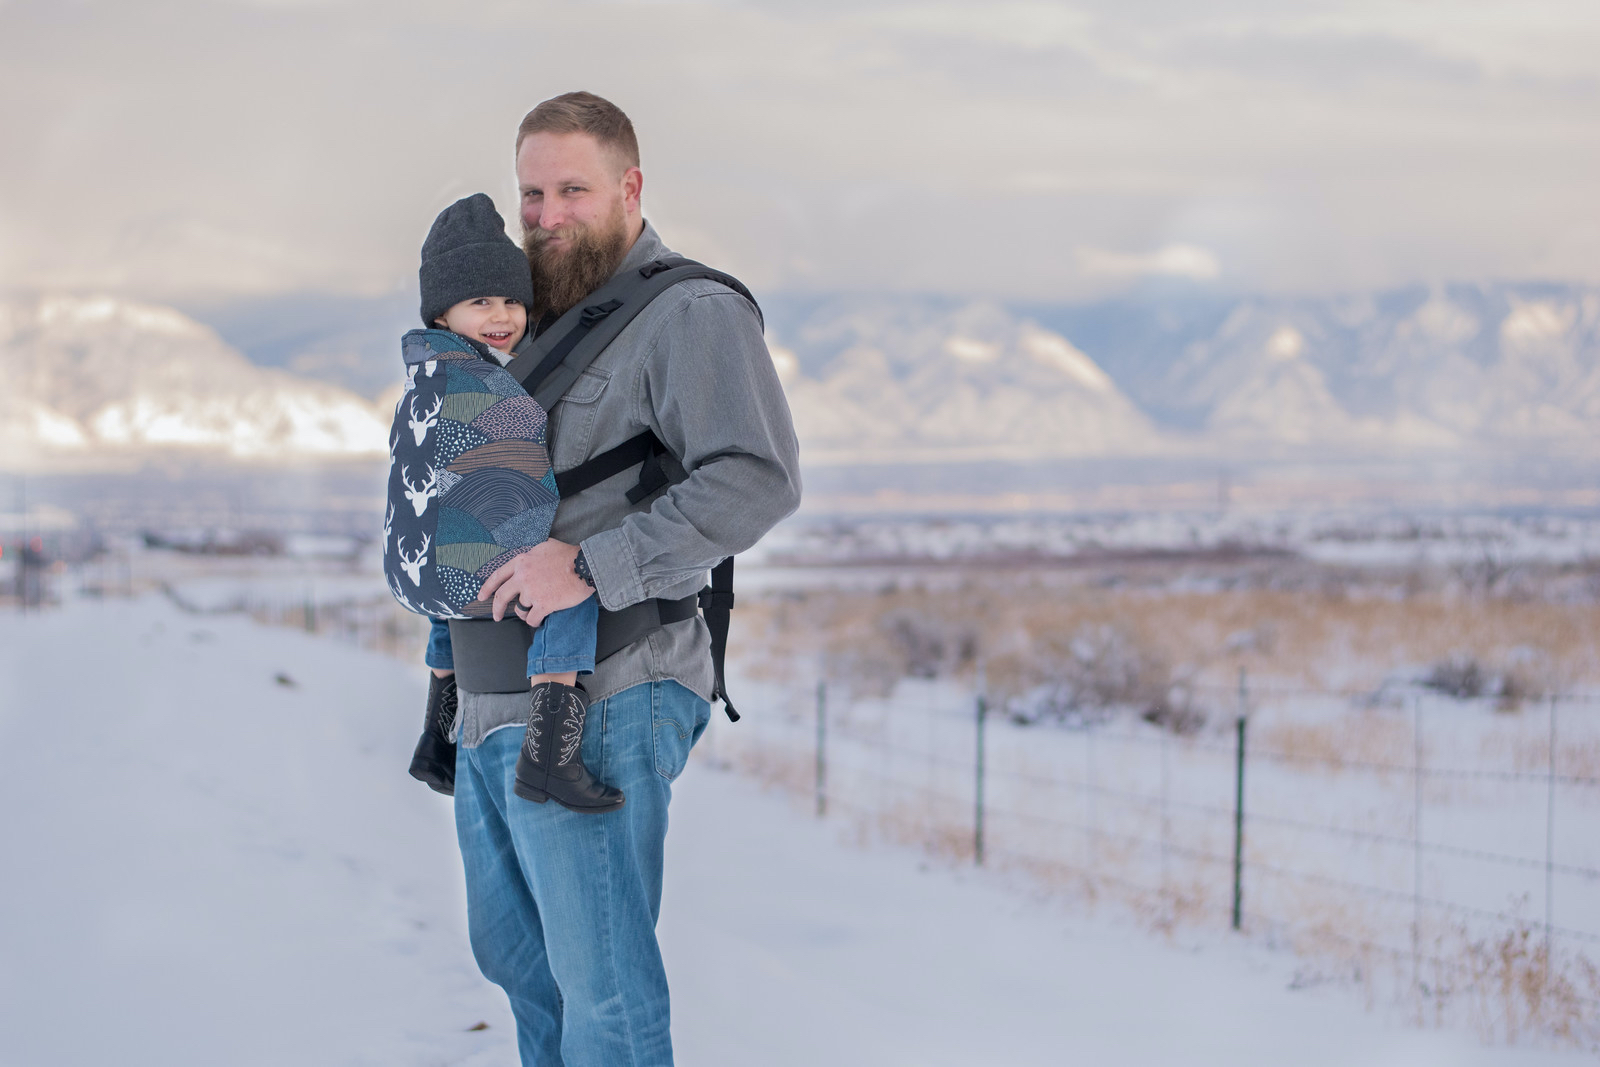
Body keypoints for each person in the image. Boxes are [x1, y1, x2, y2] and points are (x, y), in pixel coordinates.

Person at [447, 91, 801, 1066]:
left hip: (609, 682)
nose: (546, 214)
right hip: (491, 690)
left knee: (602, 989)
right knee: (521, 966)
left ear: (630, 187)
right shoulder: (513, 323)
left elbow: (757, 478)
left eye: (573, 189)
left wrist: (592, 564)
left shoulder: (689, 312)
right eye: (531, 194)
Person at [401, 192, 621, 814]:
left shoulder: (428, 370)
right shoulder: (489, 377)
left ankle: (436, 735)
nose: (502, 316)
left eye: (512, 301)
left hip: (432, 568)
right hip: (477, 555)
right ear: (442, 314)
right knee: (566, 584)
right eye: (480, 303)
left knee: (451, 601)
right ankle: (551, 752)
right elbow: (512, 449)